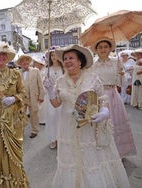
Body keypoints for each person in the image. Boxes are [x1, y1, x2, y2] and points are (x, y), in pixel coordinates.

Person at [50, 44, 130, 188]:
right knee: (71, 160)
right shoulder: (60, 81)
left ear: (80, 61)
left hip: (90, 127)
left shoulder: (92, 78)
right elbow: (56, 104)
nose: (67, 61)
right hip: (68, 127)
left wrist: (104, 112)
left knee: (91, 159)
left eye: (71, 58)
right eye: (65, 58)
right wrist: (50, 91)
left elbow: (103, 98)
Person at [0, 41, 29, 187]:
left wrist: (14, 98)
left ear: (8, 57)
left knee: (13, 153)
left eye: (4, 55)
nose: (1, 57)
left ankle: (16, 182)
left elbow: (23, 93)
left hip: (11, 118)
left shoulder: (15, 74)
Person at [90, 37, 137, 159]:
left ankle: (119, 152)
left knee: (116, 123)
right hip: (99, 97)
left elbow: (121, 83)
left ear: (110, 48)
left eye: (106, 47)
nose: (103, 49)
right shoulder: (93, 64)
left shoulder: (117, 61)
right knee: (101, 125)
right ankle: (103, 152)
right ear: (96, 50)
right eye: (100, 47)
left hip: (113, 95)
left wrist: (122, 74)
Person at [17, 54, 45, 138]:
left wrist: (41, 96)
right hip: (21, 98)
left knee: (34, 115)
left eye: (26, 60)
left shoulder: (35, 71)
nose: (25, 62)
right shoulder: (17, 73)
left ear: (29, 62)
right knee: (20, 115)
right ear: (20, 63)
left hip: (33, 97)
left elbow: (40, 84)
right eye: (22, 61)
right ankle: (20, 131)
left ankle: (34, 130)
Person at [43, 47, 64, 149]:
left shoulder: (63, 69)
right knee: (51, 117)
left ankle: (61, 138)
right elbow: (44, 84)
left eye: (55, 54)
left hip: (61, 97)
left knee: (61, 118)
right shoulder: (47, 70)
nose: (53, 57)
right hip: (50, 97)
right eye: (52, 55)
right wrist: (46, 83)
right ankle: (53, 139)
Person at [32, 56, 47, 126]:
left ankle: (44, 119)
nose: (35, 64)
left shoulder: (44, 72)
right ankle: (40, 119)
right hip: (38, 91)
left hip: (44, 91)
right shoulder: (35, 72)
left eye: (36, 63)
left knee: (44, 106)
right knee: (40, 107)